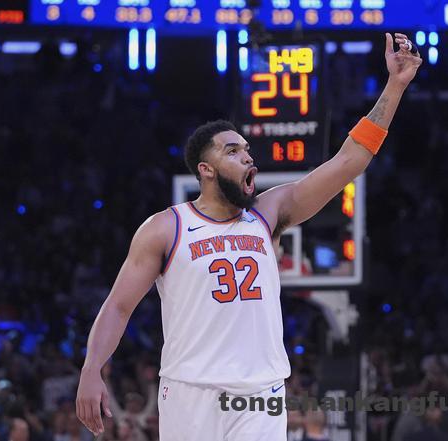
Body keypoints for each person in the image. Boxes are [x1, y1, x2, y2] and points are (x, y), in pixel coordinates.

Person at [76, 32, 422, 440]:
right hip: (190, 392)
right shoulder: (166, 228)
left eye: (246, 150)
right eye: (232, 151)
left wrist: (395, 86)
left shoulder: (268, 213)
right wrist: (91, 369)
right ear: (206, 170)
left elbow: (349, 160)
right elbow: (118, 306)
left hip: (261, 392)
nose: (247, 156)